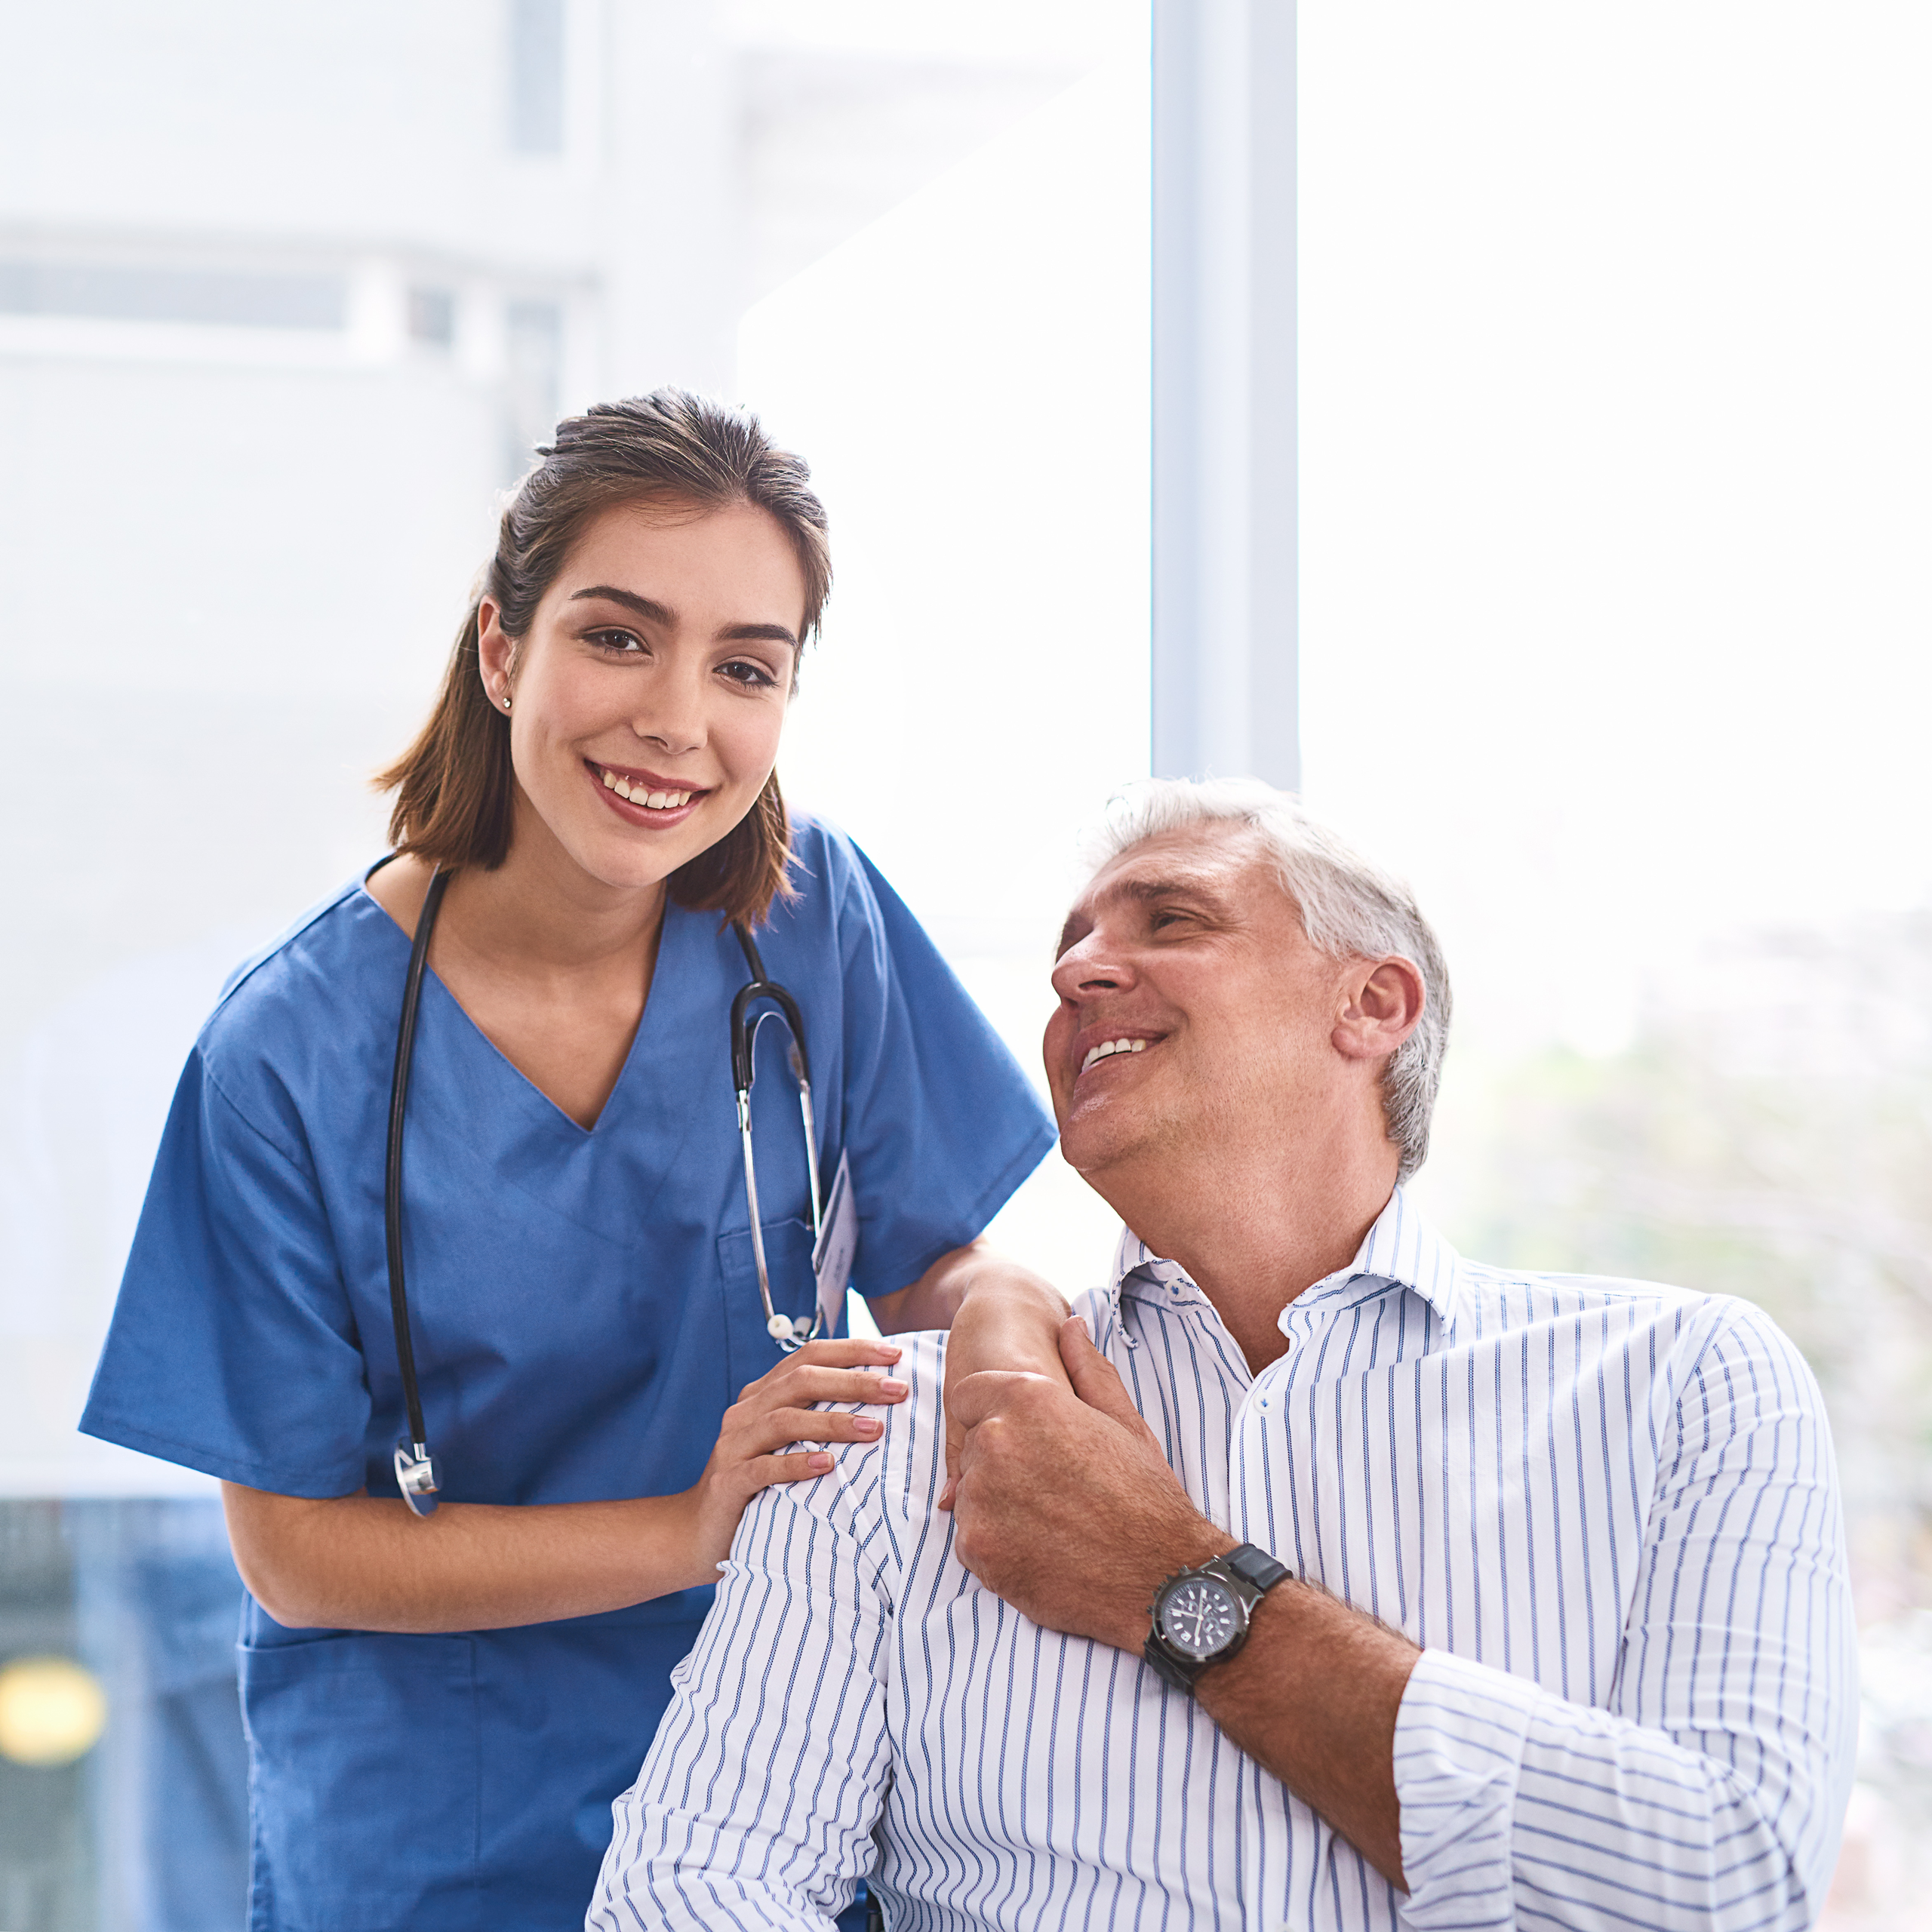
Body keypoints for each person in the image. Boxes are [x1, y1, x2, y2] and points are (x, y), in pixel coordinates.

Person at [79, 391, 1065, 1930]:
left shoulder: (813, 918)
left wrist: (1003, 1329)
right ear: (499, 651)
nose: (678, 718)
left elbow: (936, 1253)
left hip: (791, 1781)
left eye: (745, 666)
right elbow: (292, 1549)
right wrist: (691, 1523)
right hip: (438, 1837)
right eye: (617, 636)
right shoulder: (287, 1051)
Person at [589, 777, 1857, 1932]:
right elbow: (689, 1896)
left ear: (1373, 1003)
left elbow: (1726, 1886)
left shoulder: (1688, 1385)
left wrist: (1171, 1580)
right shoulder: (893, 1432)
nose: (1081, 970)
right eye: (1069, 947)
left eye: (1172, 921)